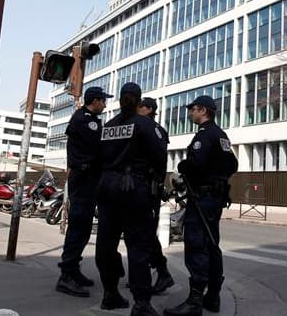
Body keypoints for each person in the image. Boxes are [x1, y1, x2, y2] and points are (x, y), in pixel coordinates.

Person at [96, 83, 167, 316]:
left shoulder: (108, 126)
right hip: (133, 188)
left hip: (107, 186)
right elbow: (160, 159)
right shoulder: (145, 124)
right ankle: (141, 303)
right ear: (138, 100)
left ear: (120, 99)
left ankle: (110, 294)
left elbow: (99, 158)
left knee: (106, 243)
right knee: (138, 247)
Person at [165, 95, 237, 316]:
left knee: (196, 245)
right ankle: (213, 296)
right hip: (215, 198)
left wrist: (182, 166)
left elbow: (195, 164)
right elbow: (233, 165)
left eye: (193, 109)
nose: (190, 113)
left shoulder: (204, 135)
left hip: (203, 198)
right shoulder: (221, 135)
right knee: (212, 245)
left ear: (203, 110)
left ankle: (194, 302)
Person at [56, 86, 112, 297]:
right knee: (79, 226)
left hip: (88, 177)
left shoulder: (86, 118)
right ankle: (66, 276)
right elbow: (99, 148)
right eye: (103, 101)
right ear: (95, 101)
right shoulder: (85, 120)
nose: (105, 104)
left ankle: (73, 270)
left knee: (84, 226)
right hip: (84, 177)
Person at [137, 97, 174, 294]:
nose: (137, 109)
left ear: (149, 109)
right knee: (140, 234)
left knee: (146, 233)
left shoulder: (154, 129)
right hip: (144, 186)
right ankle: (143, 273)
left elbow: (159, 161)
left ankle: (162, 272)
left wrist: (156, 183)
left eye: (140, 106)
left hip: (148, 188)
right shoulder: (146, 127)